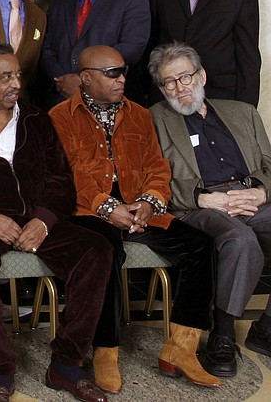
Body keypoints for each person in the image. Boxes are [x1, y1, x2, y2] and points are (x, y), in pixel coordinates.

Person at [0, 41, 112, 402]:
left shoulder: (35, 119)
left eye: (18, 75)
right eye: (5, 77)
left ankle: (67, 364)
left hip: (34, 219)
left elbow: (62, 181)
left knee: (97, 250)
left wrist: (43, 221)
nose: (16, 83)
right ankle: (0, 369)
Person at [49, 45, 219, 394]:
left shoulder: (140, 115)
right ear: (86, 78)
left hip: (140, 211)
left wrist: (148, 202)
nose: (122, 79)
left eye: (123, 71)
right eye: (112, 73)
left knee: (201, 245)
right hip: (87, 212)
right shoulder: (60, 117)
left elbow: (158, 166)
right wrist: (107, 208)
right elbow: (65, 176)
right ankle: (105, 351)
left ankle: (181, 349)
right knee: (104, 249)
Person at [149, 42, 271, 376]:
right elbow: (151, 177)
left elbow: (269, 164)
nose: (180, 88)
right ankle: (224, 334)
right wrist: (201, 196)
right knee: (240, 239)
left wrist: (260, 191)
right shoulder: (154, 119)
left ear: (201, 76)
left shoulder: (242, 112)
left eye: (185, 77)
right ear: (161, 87)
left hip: (250, 197)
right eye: (169, 82)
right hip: (198, 204)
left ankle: (266, 329)